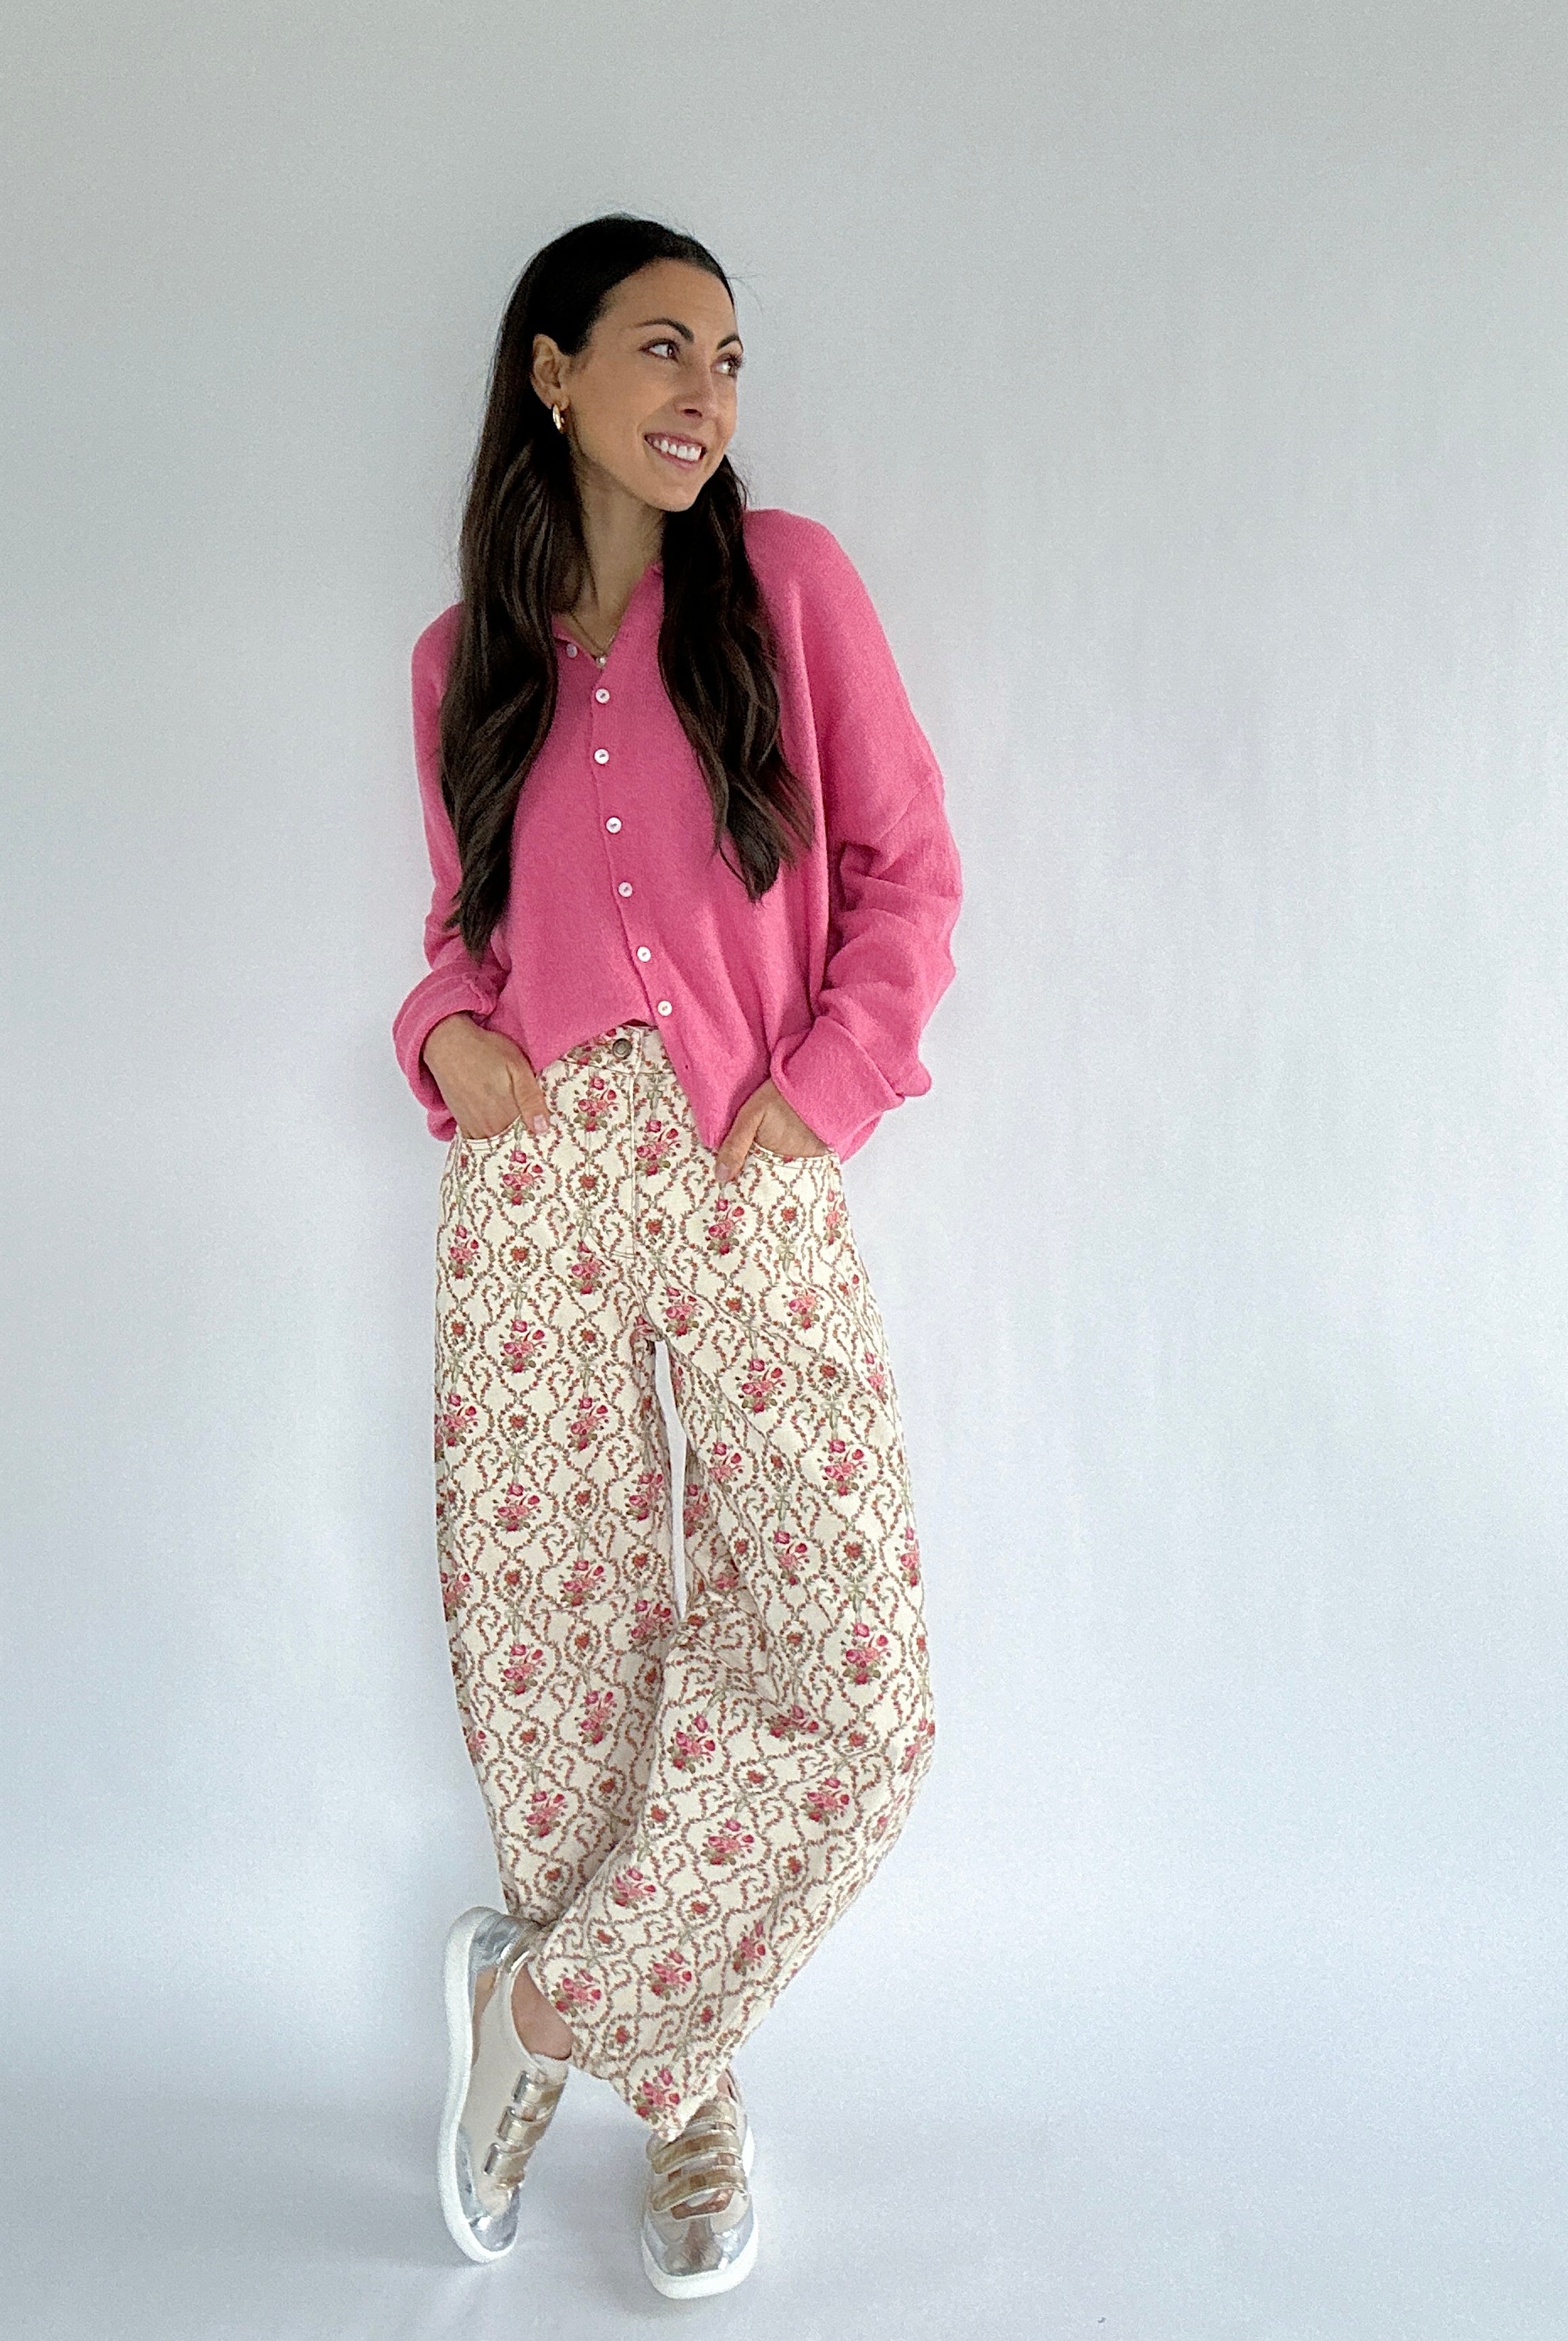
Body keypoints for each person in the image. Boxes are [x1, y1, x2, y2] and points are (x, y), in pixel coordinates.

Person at [391, 211, 963, 2300]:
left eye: (727, 360)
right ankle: (690, 2091)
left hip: (742, 1149)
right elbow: (457, 936)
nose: (703, 397)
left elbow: (904, 869)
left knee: (854, 1685)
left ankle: (546, 2015)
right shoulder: (465, 660)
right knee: (559, 1632)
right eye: (658, 349)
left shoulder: (786, 588)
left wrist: (815, 1091)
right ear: (551, 374)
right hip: (535, 1160)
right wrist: (439, 1034)